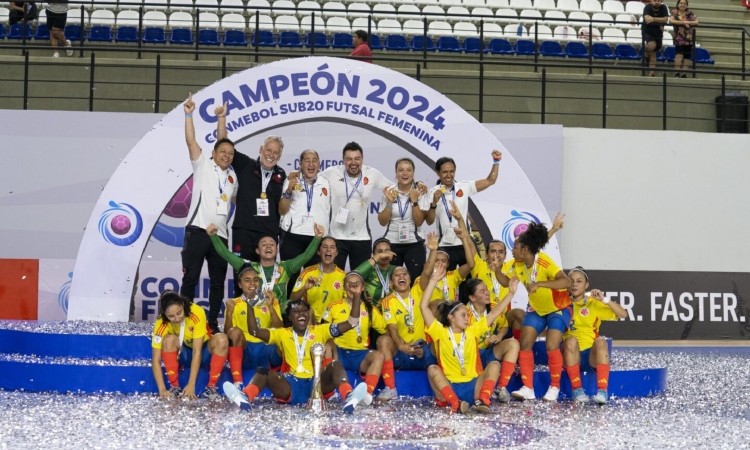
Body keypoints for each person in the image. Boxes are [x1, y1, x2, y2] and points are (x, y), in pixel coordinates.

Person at [222, 282, 371, 413]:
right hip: (290, 385)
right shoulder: (281, 333)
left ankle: (350, 397)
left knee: (335, 365)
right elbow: (255, 331)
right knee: (262, 371)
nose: (301, 314)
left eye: (304, 310)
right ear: (290, 317)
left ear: (308, 314)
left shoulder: (321, 330)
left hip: (317, 383)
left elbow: (352, 323)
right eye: (296, 311)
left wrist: (357, 296)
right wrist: (249, 305)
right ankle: (245, 397)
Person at [421, 265, 519, 413]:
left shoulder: (472, 331)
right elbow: (423, 307)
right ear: (451, 317)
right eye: (463, 315)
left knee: (494, 365)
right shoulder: (439, 332)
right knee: (433, 369)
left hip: (474, 386)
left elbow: (495, 313)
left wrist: (511, 293)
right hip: (450, 385)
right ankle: (455, 402)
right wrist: (434, 280)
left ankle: (483, 400)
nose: (467, 319)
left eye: (467, 315)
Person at [182, 94, 238, 335]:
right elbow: (191, 141)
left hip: (221, 237)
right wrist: (189, 114)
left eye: (230, 153)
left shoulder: (233, 178)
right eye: (222, 151)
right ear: (214, 153)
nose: (226, 155)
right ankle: (183, 319)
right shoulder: (202, 164)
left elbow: (223, 140)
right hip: (198, 231)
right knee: (190, 279)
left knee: (217, 283)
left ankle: (212, 322)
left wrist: (222, 119)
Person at [498, 222, 571, 402]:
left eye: (515, 247)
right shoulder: (517, 263)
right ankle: (528, 388)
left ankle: (554, 387)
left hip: (558, 308)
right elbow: (505, 282)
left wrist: (540, 283)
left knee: (552, 344)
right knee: (525, 341)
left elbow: (567, 282)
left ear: (525, 250)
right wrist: (496, 270)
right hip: (537, 310)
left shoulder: (544, 261)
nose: (512, 251)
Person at [216, 105, 286, 262]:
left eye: (276, 153)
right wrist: (222, 119)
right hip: (244, 230)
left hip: (269, 233)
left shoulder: (281, 175)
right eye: (268, 150)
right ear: (261, 149)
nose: (271, 155)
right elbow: (223, 144)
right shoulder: (245, 165)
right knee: (242, 273)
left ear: (280, 156)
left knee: (266, 277)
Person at [206, 222, 323, 311]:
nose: (268, 246)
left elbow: (306, 256)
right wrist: (214, 237)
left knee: (297, 307)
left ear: (276, 250)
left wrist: (317, 238)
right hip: (255, 311)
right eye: (264, 244)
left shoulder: (286, 267)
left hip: (280, 313)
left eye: (272, 244)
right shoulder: (248, 267)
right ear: (257, 250)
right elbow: (225, 254)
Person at [319, 142, 393, 271]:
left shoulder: (371, 174)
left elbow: (393, 187)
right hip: (337, 237)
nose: (353, 163)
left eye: (357, 159)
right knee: (334, 278)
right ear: (343, 160)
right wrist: (295, 175)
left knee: (360, 279)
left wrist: (417, 184)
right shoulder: (332, 173)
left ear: (362, 160)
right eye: (349, 159)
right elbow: (311, 179)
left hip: (361, 237)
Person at [424, 150, 502, 269]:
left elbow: (490, 181)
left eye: (452, 171)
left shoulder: (464, 187)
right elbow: (429, 221)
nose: (449, 175)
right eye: (445, 172)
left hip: (465, 243)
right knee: (446, 285)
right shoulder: (432, 193)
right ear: (438, 173)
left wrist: (496, 161)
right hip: (444, 245)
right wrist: (433, 203)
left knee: (470, 283)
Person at [321, 272, 392, 401]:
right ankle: (328, 392)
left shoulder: (370, 309)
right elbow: (323, 331)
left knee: (379, 356)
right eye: (349, 284)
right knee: (326, 344)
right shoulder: (333, 307)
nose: (353, 287)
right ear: (344, 287)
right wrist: (332, 347)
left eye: (356, 284)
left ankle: (367, 393)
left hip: (360, 356)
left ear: (363, 287)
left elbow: (385, 331)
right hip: (339, 352)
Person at [563, 267, 627, 404]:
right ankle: (577, 390)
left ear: (586, 285)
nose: (574, 284)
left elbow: (623, 314)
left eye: (579, 281)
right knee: (571, 340)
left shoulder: (593, 303)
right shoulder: (560, 303)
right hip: (570, 354)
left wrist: (604, 299)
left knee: (600, 342)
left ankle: (603, 391)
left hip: (590, 355)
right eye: (571, 281)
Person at [150, 291, 229, 400]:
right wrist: (162, 389)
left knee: (222, 339)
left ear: (182, 305)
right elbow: (155, 360)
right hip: (183, 355)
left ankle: (211, 386)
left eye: (179, 313)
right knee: (168, 340)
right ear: (164, 314)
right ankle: (175, 386)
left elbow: (197, 351)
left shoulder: (196, 312)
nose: (177, 319)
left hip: (203, 352)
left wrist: (191, 384)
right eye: (171, 316)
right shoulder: (161, 322)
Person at [379, 265, 439, 400]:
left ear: (410, 279)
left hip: (424, 352)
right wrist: (401, 346)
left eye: (404, 274)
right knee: (383, 340)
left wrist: (433, 250)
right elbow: (392, 328)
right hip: (402, 352)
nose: (401, 277)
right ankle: (390, 388)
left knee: (442, 335)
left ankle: (451, 382)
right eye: (397, 275)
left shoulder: (418, 292)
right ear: (391, 283)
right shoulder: (388, 301)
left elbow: (427, 271)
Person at [279, 149, 331, 295]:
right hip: (292, 236)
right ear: (300, 164)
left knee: (314, 281)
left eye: (314, 160)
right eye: (307, 160)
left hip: (316, 238)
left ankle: (311, 316)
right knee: (290, 279)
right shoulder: (291, 181)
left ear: (319, 164)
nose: (311, 163)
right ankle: (287, 314)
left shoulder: (326, 182)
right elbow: (282, 211)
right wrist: (288, 191)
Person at [459, 278, 520, 403]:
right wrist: (483, 342)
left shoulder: (493, 307)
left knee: (513, 344)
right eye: (482, 291)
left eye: (486, 289)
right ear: (472, 297)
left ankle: (501, 388)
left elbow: (504, 326)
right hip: (472, 357)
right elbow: (462, 341)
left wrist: (499, 336)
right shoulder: (465, 314)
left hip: (490, 352)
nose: (487, 293)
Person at [224, 264, 283, 390]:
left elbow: (280, 329)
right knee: (234, 332)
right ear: (240, 284)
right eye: (247, 280)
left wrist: (271, 306)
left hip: (266, 350)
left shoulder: (269, 300)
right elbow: (227, 335)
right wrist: (229, 313)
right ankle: (238, 382)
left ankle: (286, 376)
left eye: (255, 280)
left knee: (285, 336)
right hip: (246, 351)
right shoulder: (234, 304)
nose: (252, 283)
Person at [377, 157, 430, 284]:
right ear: (396, 174)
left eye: (409, 170)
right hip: (392, 242)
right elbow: (382, 222)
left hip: (414, 242)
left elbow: (419, 222)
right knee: (390, 282)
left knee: (416, 282)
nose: (405, 173)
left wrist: (414, 201)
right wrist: (389, 202)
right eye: (401, 170)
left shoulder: (420, 192)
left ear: (413, 173)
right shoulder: (389, 191)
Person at [414, 203, 475, 304]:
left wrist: (463, 239)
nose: (439, 263)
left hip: (451, 316)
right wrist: (433, 250)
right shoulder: (421, 279)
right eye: (436, 260)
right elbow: (426, 272)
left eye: (443, 261)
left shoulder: (452, 276)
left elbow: (471, 265)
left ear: (448, 264)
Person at [289, 236, 347, 323]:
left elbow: (349, 304)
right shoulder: (307, 272)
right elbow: (292, 300)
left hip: (333, 323)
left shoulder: (344, 276)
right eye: (324, 247)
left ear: (336, 252)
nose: (328, 250)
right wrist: (304, 288)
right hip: (311, 321)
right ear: (319, 251)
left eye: (332, 247)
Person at [355, 238, 398, 308]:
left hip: (394, 313)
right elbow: (355, 275)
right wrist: (377, 257)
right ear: (374, 254)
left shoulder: (396, 270)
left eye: (387, 251)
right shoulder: (369, 269)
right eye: (379, 251)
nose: (384, 254)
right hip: (372, 313)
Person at [671, 0, 699, 78]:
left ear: (686, 5)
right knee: (679, 55)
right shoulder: (674, 12)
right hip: (679, 37)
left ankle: (684, 74)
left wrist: (687, 22)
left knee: (687, 56)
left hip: (688, 38)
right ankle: (677, 73)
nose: (682, 5)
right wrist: (683, 23)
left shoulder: (689, 13)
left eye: (684, 4)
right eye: (681, 3)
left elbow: (696, 22)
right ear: (677, 4)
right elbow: (672, 20)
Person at [642, 0, 670, 77]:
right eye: (654, 0)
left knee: (654, 53)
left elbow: (665, 20)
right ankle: (646, 55)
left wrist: (653, 19)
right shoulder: (647, 7)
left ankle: (651, 73)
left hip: (658, 32)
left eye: (658, 0)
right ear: (651, 1)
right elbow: (647, 19)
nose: (656, 2)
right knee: (651, 45)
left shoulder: (663, 7)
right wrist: (659, 21)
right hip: (648, 31)